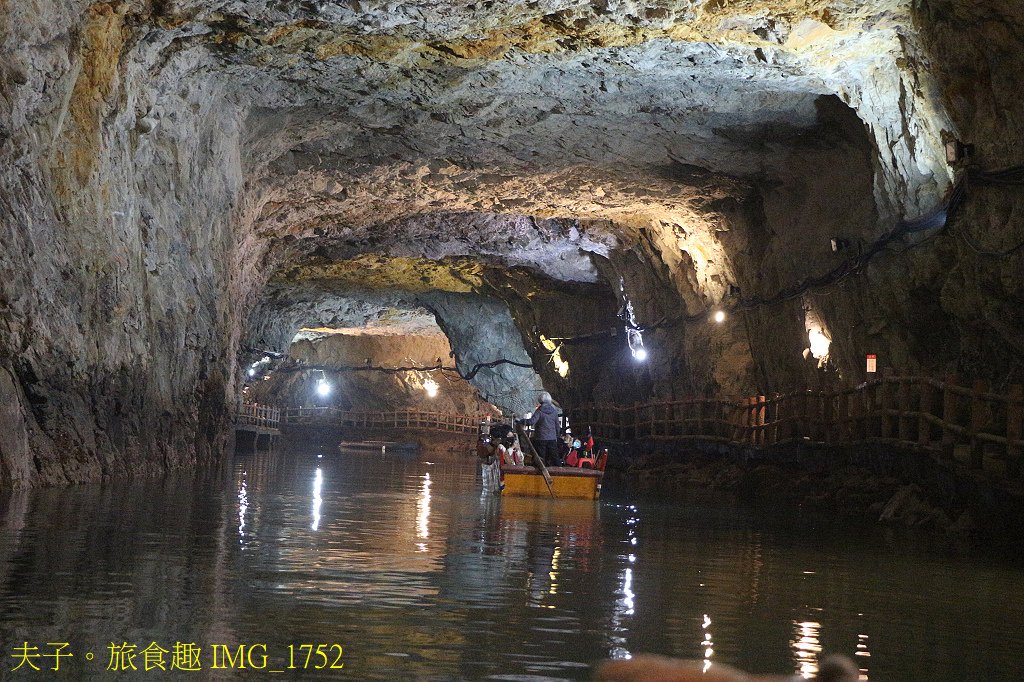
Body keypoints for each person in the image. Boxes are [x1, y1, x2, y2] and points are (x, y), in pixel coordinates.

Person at [522, 392, 560, 467]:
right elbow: (557, 426)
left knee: (540, 457)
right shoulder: (554, 412)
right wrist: (557, 435)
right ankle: (560, 471)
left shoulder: (539, 411)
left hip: (540, 438)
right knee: (554, 456)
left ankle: (540, 473)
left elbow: (531, 422)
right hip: (552, 438)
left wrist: (522, 421)